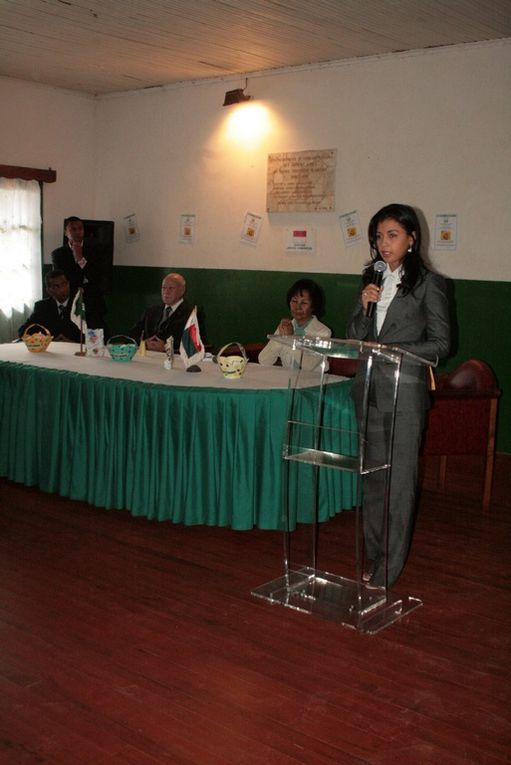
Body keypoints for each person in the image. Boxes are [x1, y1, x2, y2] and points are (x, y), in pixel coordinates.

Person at [346, 202, 450, 589]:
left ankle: (390, 568)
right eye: (378, 236)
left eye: (392, 235)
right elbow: (356, 336)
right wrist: (363, 305)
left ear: (412, 238)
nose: (383, 244)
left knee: (400, 481)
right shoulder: (369, 280)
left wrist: (397, 351)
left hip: (404, 394)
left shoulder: (430, 285)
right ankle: (374, 556)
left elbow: (441, 344)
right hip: (368, 389)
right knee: (372, 479)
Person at [51, 216, 109, 333]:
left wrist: (80, 259)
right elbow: (62, 279)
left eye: (80, 228)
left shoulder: (96, 249)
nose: (78, 232)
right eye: (73, 229)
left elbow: (97, 276)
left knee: (96, 335)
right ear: (66, 232)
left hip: (93, 299)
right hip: (71, 299)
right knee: (72, 334)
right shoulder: (58, 254)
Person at [258, 278, 331, 370]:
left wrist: (290, 338)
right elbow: (264, 360)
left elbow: (308, 366)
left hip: (313, 381)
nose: (297, 307)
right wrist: (281, 337)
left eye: (304, 302)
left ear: (313, 306)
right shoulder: (286, 326)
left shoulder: (323, 332)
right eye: (294, 301)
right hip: (288, 380)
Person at [129, 272, 195, 352]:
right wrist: (144, 343)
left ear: (182, 290)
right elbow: (132, 335)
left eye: (171, 288)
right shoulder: (151, 311)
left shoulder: (192, 313)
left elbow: (193, 347)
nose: (166, 292)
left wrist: (166, 348)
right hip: (147, 358)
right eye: (164, 288)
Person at [18, 269, 84, 342]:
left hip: (75, 349)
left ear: (68, 284)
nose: (62, 289)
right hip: (51, 349)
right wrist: (47, 340)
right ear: (49, 290)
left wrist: (73, 342)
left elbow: (93, 334)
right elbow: (23, 331)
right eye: (57, 286)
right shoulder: (42, 306)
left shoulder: (80, 304)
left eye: (64, 284)